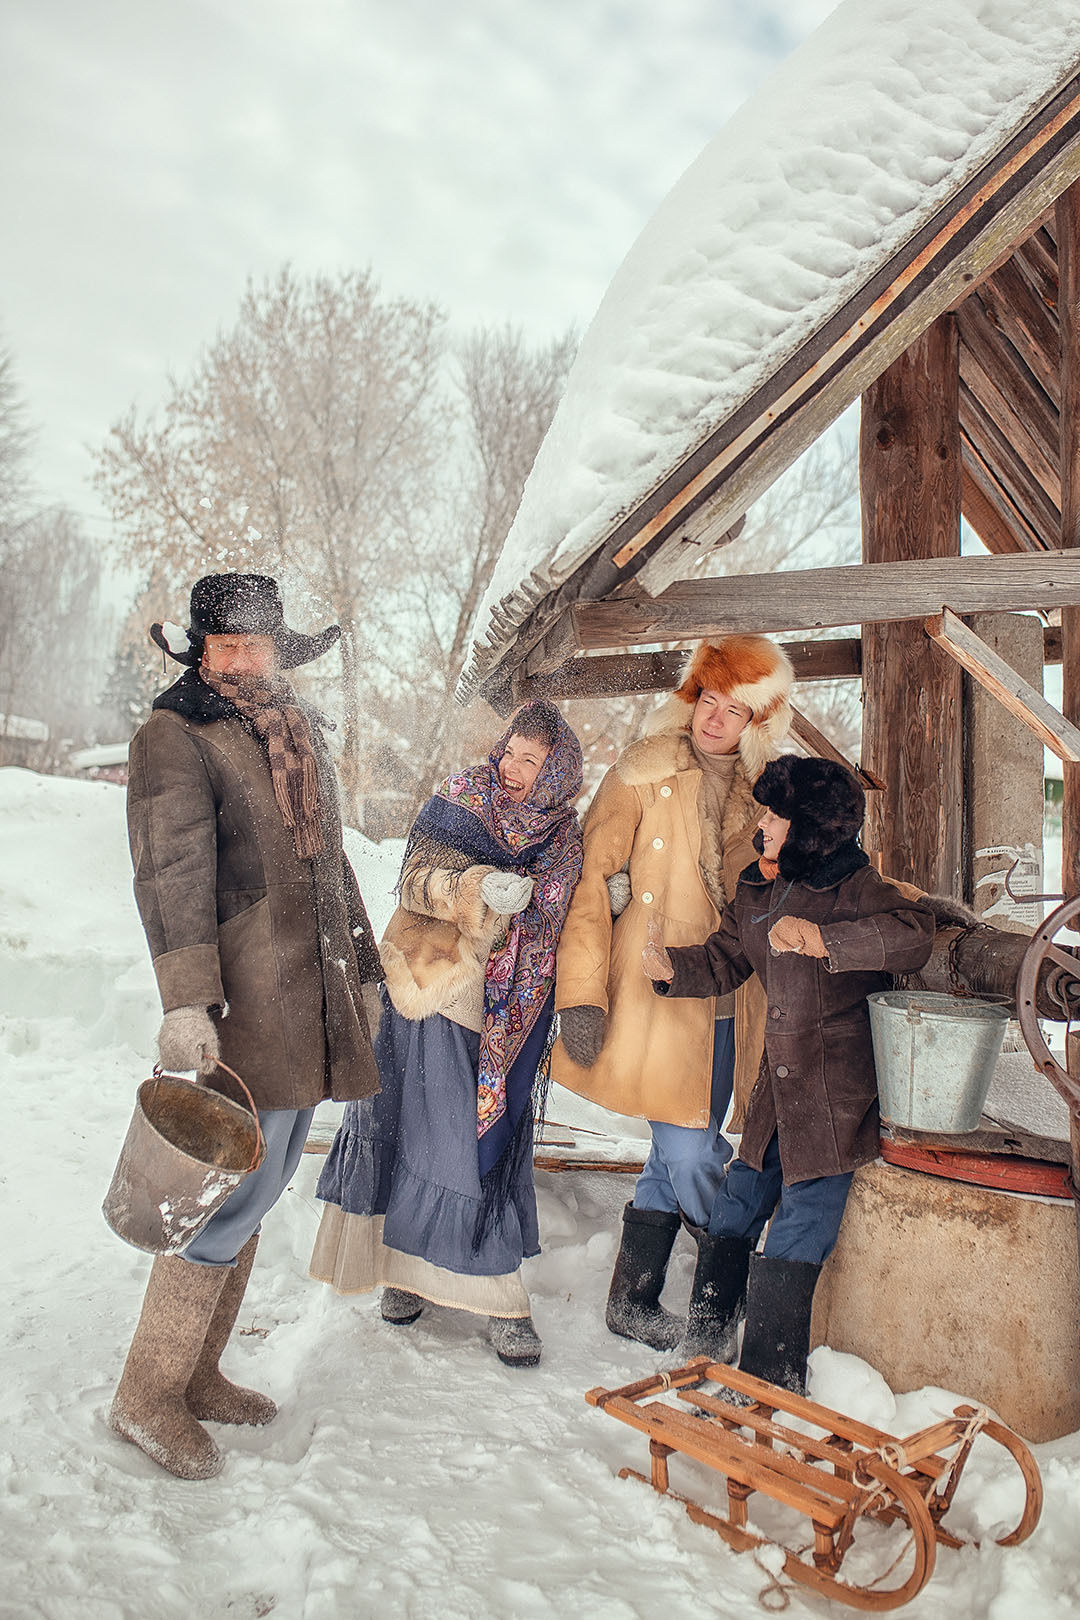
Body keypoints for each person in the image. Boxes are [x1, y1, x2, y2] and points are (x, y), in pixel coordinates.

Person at [112, 572, 383, 1480]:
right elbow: (170, 872)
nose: (239, 659)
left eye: (254, 644)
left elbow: (332, 864)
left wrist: (367, 974)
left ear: (277, 648)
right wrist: (186, 1000)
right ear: (199, 649)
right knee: (226, 1191)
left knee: (260, 1189)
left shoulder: (294, 728)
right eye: (223, 644)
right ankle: (147, 1394)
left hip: (309, 997)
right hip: (243, 1002)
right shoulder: (174, 735)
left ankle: (198, 1374)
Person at [642, 754, 935, 1394]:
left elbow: (915, 936)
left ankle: (771, 1375)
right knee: (740, 1201)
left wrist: (828, 941)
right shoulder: (758, 883)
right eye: (766, 810)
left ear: (808, 828)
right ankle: (706, 1341)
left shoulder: (856, 886)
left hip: (834, 1089)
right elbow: (725, 958)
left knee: (803, 1219)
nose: (763, 824)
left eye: (776, 815)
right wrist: (673, 968)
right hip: (776, 1083)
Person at [310, 700, 583, 1367]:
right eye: (511, 752)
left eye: (533, 760)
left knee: (484, 1140)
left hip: (514, 1011)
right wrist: (475, 885)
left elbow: (569, 910)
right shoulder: (461, 800)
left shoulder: (566, 834)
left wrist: (609, 896)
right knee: (428, 1130)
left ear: (558, 771)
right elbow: (412, 880)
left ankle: (482, 1289)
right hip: (438, 989)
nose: (514, 769)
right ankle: (437, 1282)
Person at [551, 635, 794, 1350]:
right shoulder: (642, 771)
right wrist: (581, 995)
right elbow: (589, 882)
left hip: (734, 996)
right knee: (691, 1152)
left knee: (674, 1146)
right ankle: (736, 1285)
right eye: (706, 700)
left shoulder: (773, 795)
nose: (713, 719)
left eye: (734, 709)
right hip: (655, 987)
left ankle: (633, 1299)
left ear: (760, 722)